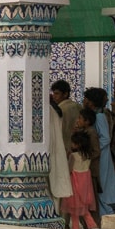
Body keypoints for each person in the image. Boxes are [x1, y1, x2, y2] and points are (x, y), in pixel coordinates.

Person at [84, 87, 115, 215]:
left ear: (91, 102)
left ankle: (108, 213)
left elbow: (105, 138)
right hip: (99, 156)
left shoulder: (100, 117)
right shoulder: (95, 116)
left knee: (101, 186)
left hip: (102, 158)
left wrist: (94, 149)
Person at [46, 81, 81, 209]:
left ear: (65, 94)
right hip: (71, 150)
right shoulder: (77, 106)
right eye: (53, 94)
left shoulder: (58, 110)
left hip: (62, 149)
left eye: (57, 93)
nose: (55, 96)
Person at [62, 126, 100, 229]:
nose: (72, 145)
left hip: (74, 186)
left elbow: (69, 169)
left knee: (74, 213)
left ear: (78, 144)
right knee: (85, 211)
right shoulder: (88, 157)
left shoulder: (73, 156)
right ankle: (93, 227)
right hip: (85, 187)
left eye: (73, 143)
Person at [74, 105, 104, 226]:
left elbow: (96, 151)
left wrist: (84, 158)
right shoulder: (83, 132)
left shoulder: (91, 133)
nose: (78, 121)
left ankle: (94, 223)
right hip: (84, 172)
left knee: (91, 200)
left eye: (80, 118)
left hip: (90, 171)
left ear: (87, 121)